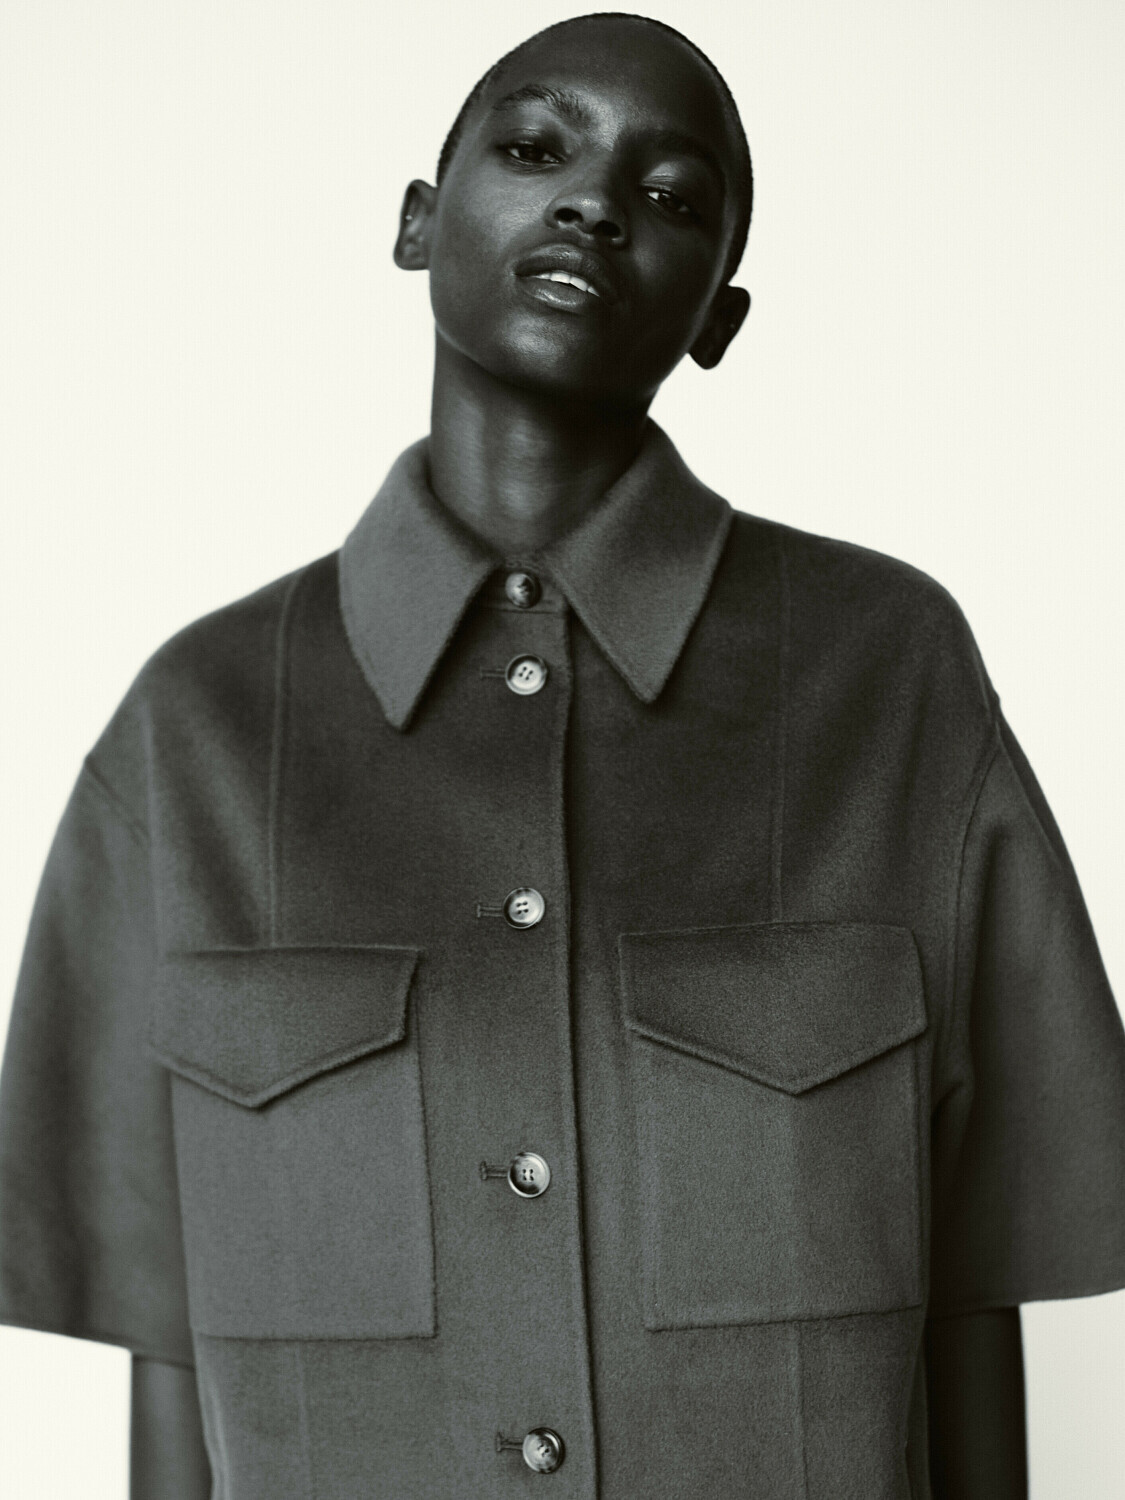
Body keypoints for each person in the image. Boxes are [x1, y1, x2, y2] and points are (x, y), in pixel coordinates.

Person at [1, 12, 1123, 1499]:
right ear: (417, 222)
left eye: (669, 196)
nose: (594, 203)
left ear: (719, 316)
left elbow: (976, 1297)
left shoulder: (888, 675)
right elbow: (173, 1361)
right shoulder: (196, 729)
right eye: (536, 149)